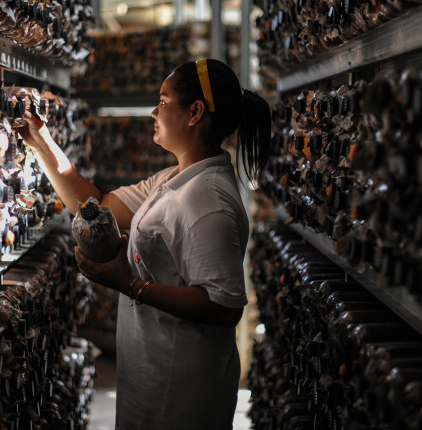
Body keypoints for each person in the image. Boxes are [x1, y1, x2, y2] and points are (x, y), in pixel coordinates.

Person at [18, 58, 271, 430]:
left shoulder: (207, 201)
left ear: (194, 112)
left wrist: (129, 284)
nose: (154, 111)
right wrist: (42, 142)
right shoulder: (174, 180)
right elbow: (97, 205)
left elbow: (222, 306)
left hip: (181, 388)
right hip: (152, 370)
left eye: (164, 102)